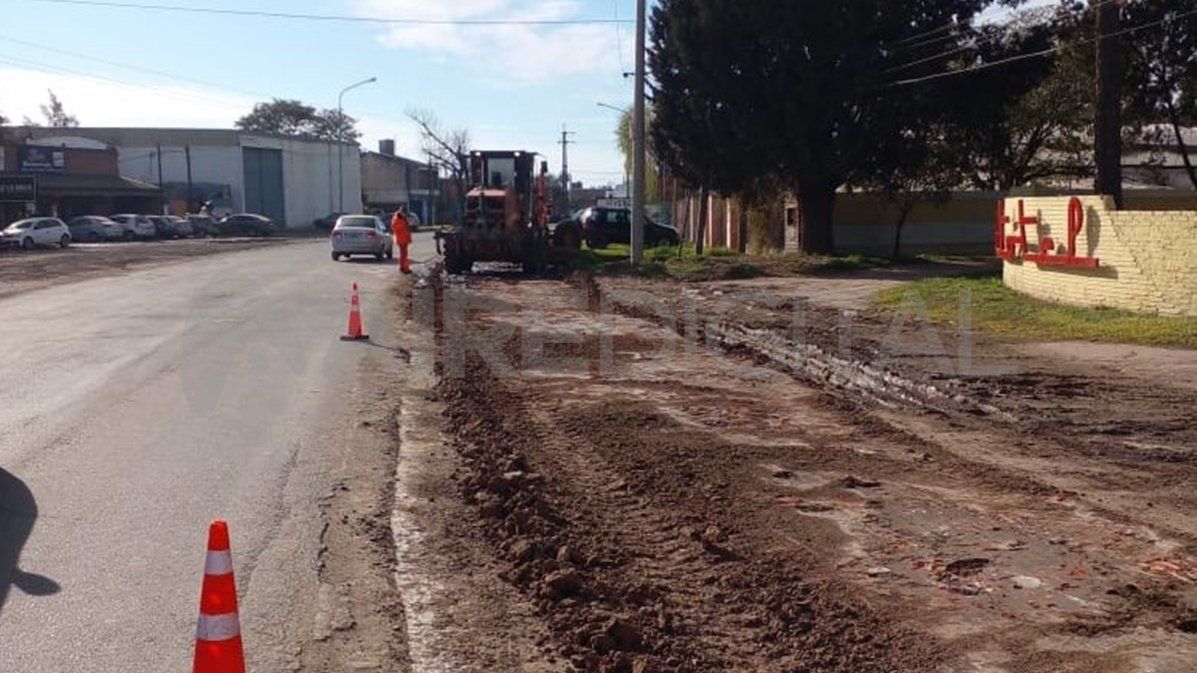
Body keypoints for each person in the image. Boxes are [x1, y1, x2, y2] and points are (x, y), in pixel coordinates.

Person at [390, 207, 412, 274]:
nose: (404, 215)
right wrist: (404, 225)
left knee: (404, 254)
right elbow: (396, 227)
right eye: (404, 213)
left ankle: (404, 267)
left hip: (404, 238)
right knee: (403, 254)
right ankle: (404, 268)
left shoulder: (402, 218)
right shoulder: (397, 218)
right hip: (401, 238)